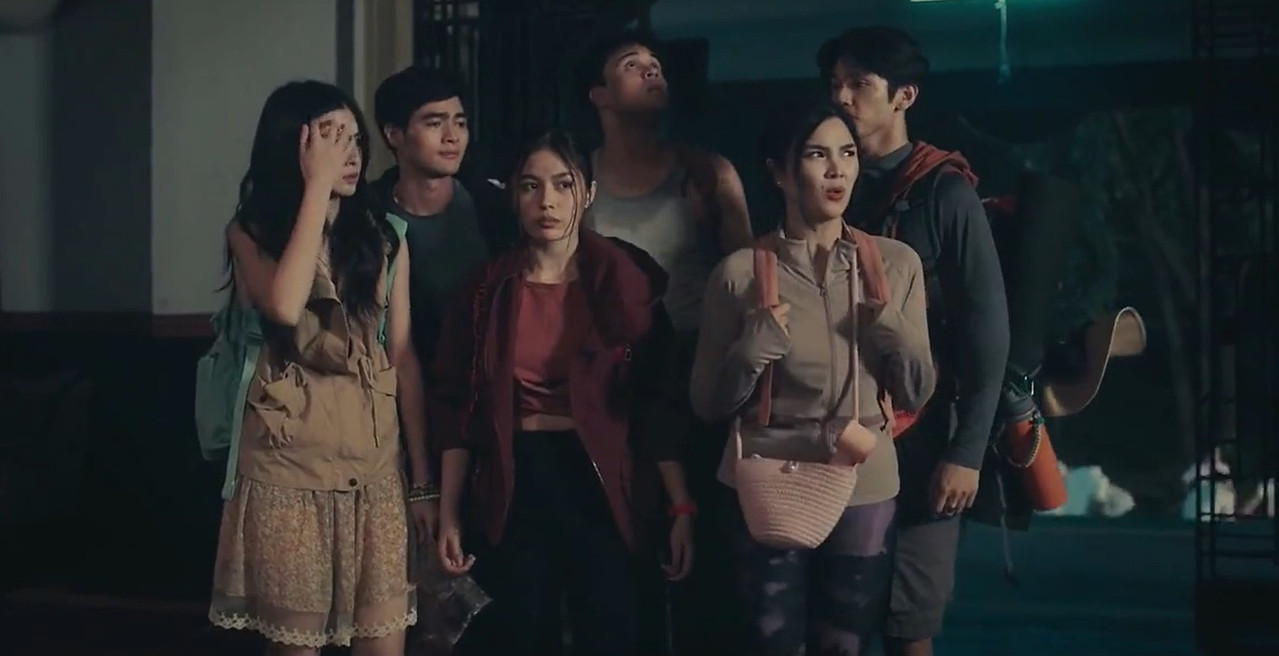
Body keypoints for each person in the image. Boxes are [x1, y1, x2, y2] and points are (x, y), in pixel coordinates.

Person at [430, 130, 694, 655]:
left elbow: (657, 401)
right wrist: (449, 512)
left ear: (587, 193)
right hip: (516, 476)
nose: (546, 201)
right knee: (522, 633)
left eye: (562, 184)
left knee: (611, 630)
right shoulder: (485, 289)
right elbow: (457, 406)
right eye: (531, 186)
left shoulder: (623, 279)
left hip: (604, 476)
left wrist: (682, 506)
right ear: (513, 195)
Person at [690, 99, 935, 656]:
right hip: (768, 479)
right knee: (769, 641)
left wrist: (892, 329)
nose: (836, 170)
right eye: (817, 155)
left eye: (847, 154)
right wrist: (751, 351)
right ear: (779, 172)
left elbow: (918, 391)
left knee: (844, 644)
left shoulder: (896, 264)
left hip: (865, 480)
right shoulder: (738, 274)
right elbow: (706, 403)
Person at [207, 80, 427, 656]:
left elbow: (402, 356)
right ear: (296, 147)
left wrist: (423, 483)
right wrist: (316, 190)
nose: (348, 154)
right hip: (288, 470)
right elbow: (284, 305)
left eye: (354, 139)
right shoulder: (251, 232)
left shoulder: (384, 236)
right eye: (330, 139)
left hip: (374, 469)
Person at [818, 26, 1011, 656]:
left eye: (860, 83)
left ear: (904, 96)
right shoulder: (824, 186)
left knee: (909, 619)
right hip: (833, 429)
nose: (842, 96)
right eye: (836, 83)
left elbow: (986, 330)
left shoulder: (943, 193)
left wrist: (967, 452)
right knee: (833, 617)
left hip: (922, 432)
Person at [578, 28, 753, 653]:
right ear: (600, 95)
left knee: (712, 556)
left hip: (698, 373)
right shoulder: (578, 180)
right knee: (627, 553)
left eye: (655, 64)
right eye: (633, 65)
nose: (652, 71)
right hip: (617, 379)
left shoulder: (706, 172)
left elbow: (751, 283)